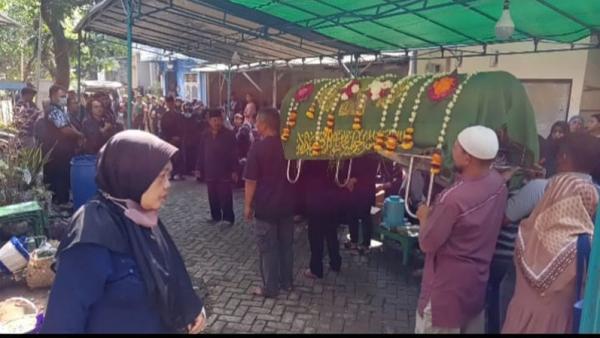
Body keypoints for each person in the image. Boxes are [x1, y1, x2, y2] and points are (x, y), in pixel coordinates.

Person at [41, 130, 206, 334]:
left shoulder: (140, 216)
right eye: (161, 176)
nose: (168, 185)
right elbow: (63, 322)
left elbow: (168, 272)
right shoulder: (91, 235)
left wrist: (189, 308)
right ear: (133, 173)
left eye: (169, 175)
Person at [414, 125, 508, 334]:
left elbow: (427, 243)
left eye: (456, 146)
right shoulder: (498, 183)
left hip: (446, 292)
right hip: (475, 286)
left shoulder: (453, 199)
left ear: (467, 158)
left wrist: (424, 217)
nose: (452, 150)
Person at [502, 133, 600, 334]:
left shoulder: (526, 234)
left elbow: (506, 216)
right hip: (564, 322)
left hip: (518, 317)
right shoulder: (587, 242)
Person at [486, 175, 548, 333]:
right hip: (531, 263)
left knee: (497, 309)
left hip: (506, 257)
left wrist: (500, 184)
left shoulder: (537, 187)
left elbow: (502, 218)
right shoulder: (586, 190)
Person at [244, 108, 296, 298]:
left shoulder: (258, 148)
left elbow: (251, 180)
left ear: (264, 125)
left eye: (257, 121)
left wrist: (248, 205)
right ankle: (287, 283)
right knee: (286, 246)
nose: (255, 125)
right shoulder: (290, 147)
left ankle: (270, 288)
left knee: (268, 249)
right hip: (287, 205)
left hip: (266, 207)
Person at [37, 84, 83, 206]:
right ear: (53, 96)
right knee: (58, 176)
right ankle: (60, 202)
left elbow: (69, 125)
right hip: (56, 151)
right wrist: (79, 135)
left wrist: (78, 134)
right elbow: (65, 130)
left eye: (65, 96)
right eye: (62, 96)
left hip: (60, 150)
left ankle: (60, 200)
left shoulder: (60, 110)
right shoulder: (54, 111)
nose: (64, 99)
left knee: (61, 175)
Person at [303, 160, 343, 279]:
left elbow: (304, 172)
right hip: (332, 197)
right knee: (331, 232)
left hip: (316, 198)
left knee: (316, 236)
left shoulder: (313, 154)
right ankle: (335, 262)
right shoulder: (335, 153)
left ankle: (316, 269)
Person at [198, 108, 237, 227]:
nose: (217, 123)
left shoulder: (229, 135)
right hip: (210, 169)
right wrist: (199, 168)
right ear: (209, 121)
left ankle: (228, 218)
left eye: (219, 120)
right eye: (214, 120)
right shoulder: (205, 135)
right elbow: (201, 152)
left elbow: (234, 153)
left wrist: (235, 170)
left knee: (225, 195)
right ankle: (215, 216)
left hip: (224, 170)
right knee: (212, 194)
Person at [342, 154, 379, 255]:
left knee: (366, 217)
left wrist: (354, 180)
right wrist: (346, 180)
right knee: (351, 215)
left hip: (366, 190)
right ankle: (353, 240)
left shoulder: (372, 154)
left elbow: (371, 174)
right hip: (352, 190)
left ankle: (366, 244)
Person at [160, 96, 185, 180]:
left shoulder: (179, 115)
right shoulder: (164, 116)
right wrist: (170, 139)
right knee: (170, 156)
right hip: (169, 139)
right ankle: (171, 173)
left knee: (179, 155)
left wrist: (179, 137)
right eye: (168, 103)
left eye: (172, 103)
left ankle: (180, 172)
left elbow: (182, 127)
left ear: (174, 103)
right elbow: (163, 129)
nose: (170, 104)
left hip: (178, 139)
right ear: (166, 104)